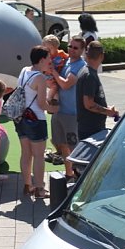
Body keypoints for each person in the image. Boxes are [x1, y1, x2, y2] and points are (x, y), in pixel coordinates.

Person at [47, 36, 87, 181]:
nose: (71, 49)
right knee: (62, 145)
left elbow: (65, 84)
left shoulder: (80, 65)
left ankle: (78, 176)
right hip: (59, 112)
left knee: (73, 146)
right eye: (70, 46)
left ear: (82, 50)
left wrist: (54, 73)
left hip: (72, 114)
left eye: (75, 48)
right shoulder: (66, 61)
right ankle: (69, 174)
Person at [14, 46, 53, 199]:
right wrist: (54, 108)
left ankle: (27, 185)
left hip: (21, 117)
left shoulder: (24, 70)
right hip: (36, 120)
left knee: (26, 153)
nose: (50, 61)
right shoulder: (40, 78)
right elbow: (42, 104)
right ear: (42, 59)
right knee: (38, 156)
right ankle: (40, 188)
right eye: (48, 58)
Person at [76, 41, 119, 140]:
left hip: (91, 127)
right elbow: (89, 104)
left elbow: (93, 100)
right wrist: (108, 111)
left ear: (86, 54)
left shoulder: (88, 72)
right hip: (91, 129)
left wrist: (106, 108)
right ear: (102, 56)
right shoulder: (89, 76)